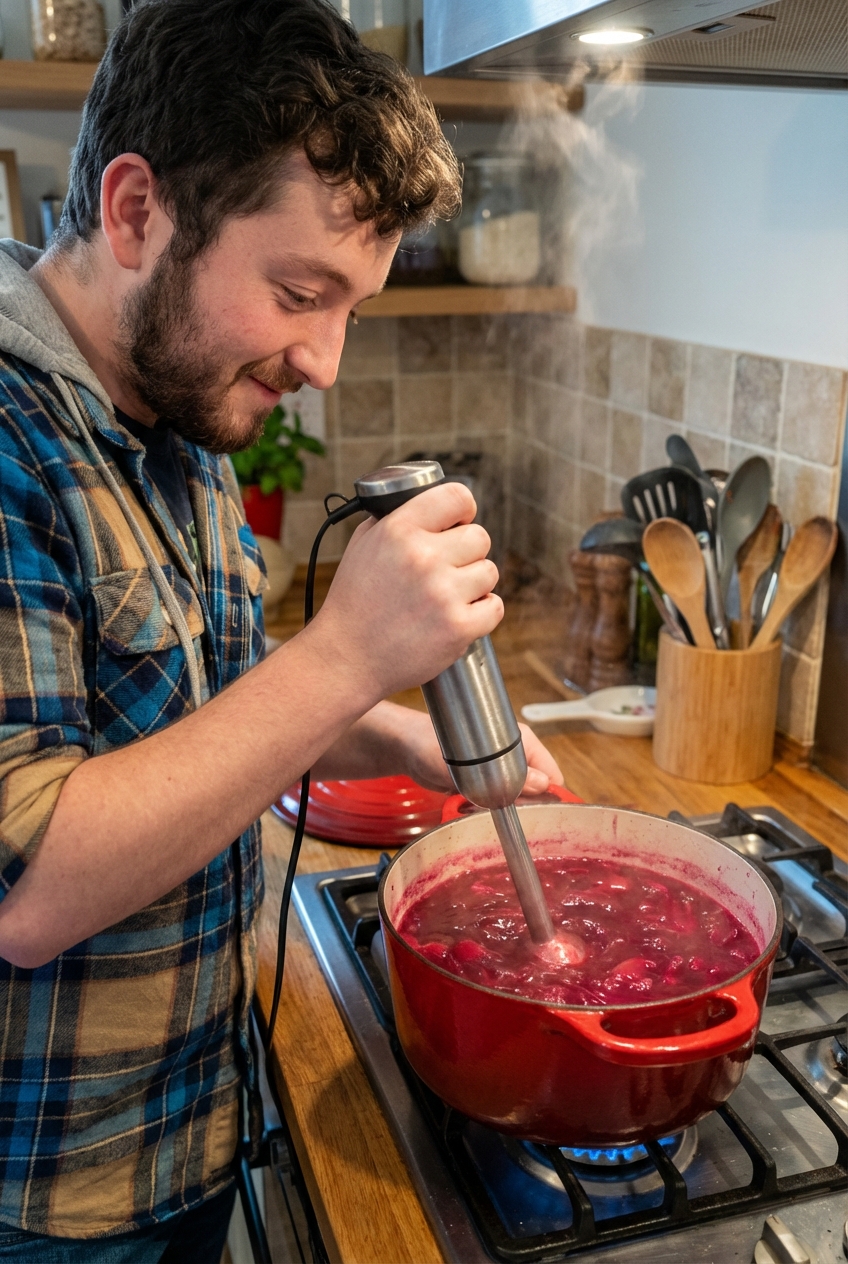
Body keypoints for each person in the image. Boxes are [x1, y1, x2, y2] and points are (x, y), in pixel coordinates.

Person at [0, 0, 563, 1258]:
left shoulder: (179, 398)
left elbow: (223, 711)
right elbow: (29, 889)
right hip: (50, 1202)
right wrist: (348, 649)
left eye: (351, 307)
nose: (323, 362)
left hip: (190, 1119)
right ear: (136, 211)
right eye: (301, 291)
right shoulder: (10, 443)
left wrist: (404, 739)